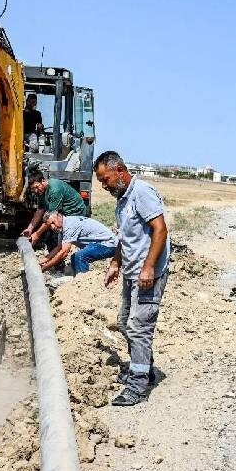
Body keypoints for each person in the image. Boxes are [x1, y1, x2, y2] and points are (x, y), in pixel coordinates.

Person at [95, 150, 170, 407]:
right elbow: (125, 238)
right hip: (132, 272)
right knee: (125, 322)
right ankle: (144, 368)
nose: (104, 186)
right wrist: (116, 263)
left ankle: (137, 386)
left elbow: (160, 229)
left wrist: (149, 267)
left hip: (149, 273)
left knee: (140, 327)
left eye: (105, 179)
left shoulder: (142, 193)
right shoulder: (122, 198)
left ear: (120, 170)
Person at [21, 171, 87, 263]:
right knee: (49, 236)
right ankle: (56, 264)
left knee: (57, 238)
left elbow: (52, 217)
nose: (36, 190)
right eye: (33, 189)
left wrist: (36, 235)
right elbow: (40, 210)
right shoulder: (41, 191)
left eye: (37, 187)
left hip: (75, 212)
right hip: (63, 213)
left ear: (43, 181)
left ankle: (61, 263)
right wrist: (30, 228)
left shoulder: (54, 189)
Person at [38, 211, 118, 276]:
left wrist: (45, 268)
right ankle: (76, 281)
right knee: (74, 258)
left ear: (59, 216)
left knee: (80, 256)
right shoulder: (63, 227)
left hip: (109, 244)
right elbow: (59, 247)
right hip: (100, 244)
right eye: (49, 226)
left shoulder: (69, 225)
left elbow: (63, 253)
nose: (52, 227)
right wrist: (42, 261)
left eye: (53, 222)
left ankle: (82, 284)